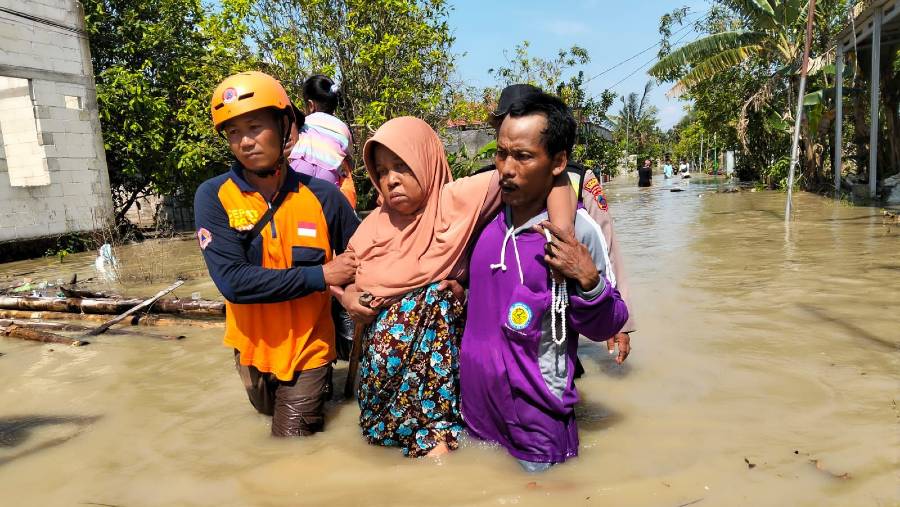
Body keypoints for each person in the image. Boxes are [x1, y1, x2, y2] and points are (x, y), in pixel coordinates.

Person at [338, 116, 578, 458]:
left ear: (425, 161)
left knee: (439, 459)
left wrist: (561, 236)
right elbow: (342, 274)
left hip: (438, 397)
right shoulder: (374, 224)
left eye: (402, 166)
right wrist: (349, 297)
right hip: (381, 391)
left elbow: (549, 177)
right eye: (382, 171)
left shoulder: (458, 202)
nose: (391, 180)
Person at [459, 92, 629, 472]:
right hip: (477, 413)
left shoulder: (576, 232)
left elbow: (611, 320)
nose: (506, 168)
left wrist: (589, 281)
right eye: (502, 153)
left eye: (523, 156)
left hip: (538, 424)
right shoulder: (484, 215)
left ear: (558, 162)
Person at [194, 71, 359, 437]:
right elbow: (233, 283)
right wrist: (322, 275)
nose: (245, 142)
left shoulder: (324, 198)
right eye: (233, 132)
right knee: (268, 419)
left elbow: (365, 259)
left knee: (288, 449)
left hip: (309, 350)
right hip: (251, 350)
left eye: (254, 127)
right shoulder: (213, 197)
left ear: (285, 124)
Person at [485, 84, 634, 366]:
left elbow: (606, 246)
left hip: (556, 323)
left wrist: (621, 323)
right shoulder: (490, 182)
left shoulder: (578, 178)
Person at [290, 74, 358, 209]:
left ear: (310, 105)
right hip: (329, 176)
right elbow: (348, 160)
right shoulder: (343, 128)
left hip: (299, 168)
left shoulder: (305, 123)